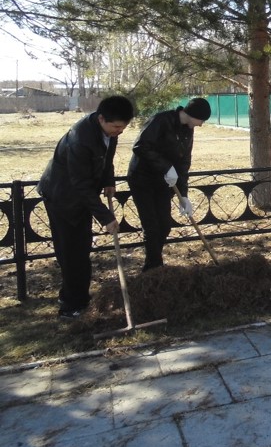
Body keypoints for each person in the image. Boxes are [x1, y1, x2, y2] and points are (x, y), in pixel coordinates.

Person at [37, 95, 136, 319]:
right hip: (63, 198)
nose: (119, 131)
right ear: (101, 118)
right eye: (116, 127)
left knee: (81, 250)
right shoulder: (80, 139)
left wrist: (109, 181)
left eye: (123, 127)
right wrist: (106, 217)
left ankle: (76, 297)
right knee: (72, 254)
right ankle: (71, 306)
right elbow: (80, 184)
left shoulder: (108, 132)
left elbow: (107, 158)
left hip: (81, 197)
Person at [127, 97, 211, 271]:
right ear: (193, 115)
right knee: (151, 227)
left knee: (164, 225)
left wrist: (184, 195)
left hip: (164, 182)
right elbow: (140, 146)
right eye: (201, 120)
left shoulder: (188, 130)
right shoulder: (161, 120)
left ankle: (154, 264)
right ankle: (154, 268)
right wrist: (165, 166)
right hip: (142, 179)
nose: (201, 124)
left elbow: (184, 162)